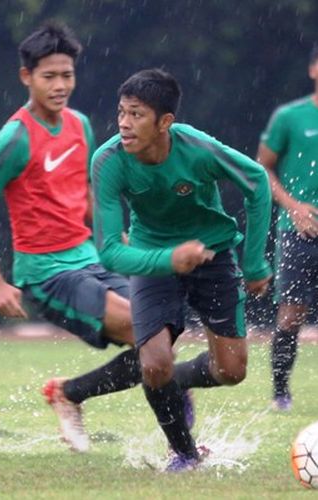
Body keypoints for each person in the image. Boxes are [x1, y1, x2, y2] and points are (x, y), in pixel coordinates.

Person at [0, 23, 190, 453]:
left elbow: (84, 191)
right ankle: (183, 449)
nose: (60, 85)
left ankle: (71, 393)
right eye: (49, 76)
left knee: (160, 344)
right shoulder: (15, 138)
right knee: (145, 332)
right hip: (46, 273)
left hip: (92, 256)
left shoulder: (80, 125)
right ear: (26, 77)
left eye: (67, 75)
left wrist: (118, 239)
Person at [92, 68, 273, 470]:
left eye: (136, 114)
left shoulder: (199, 149)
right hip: (151, 258)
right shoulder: (107, 161)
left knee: (231, 371)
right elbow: (108, 252)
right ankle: (185, 455)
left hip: (215, 255)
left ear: (165, 122)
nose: (124, 122)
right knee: (154, 365)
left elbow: (258, 182)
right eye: (121, 112)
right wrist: (168, 260)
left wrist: (256, 261)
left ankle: (181, 380)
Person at [257, 46, 318, 412]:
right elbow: (262, 167)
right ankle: (280, 392)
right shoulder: (291, 117)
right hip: (298, 231)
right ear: (313, 68)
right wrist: (294, 206)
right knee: (292, 315)